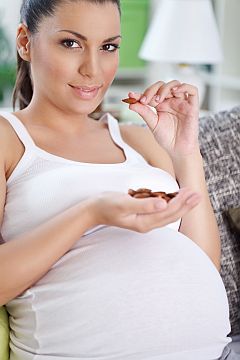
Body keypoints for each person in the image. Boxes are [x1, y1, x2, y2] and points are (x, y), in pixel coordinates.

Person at [0, 0, 236, 359]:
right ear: (25, 42)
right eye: (71, 43)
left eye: (108, 47)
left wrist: (186, 154)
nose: (93, 69)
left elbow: (203, 266)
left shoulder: (139, 140)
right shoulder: (8, 139)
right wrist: (91, 213)